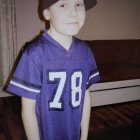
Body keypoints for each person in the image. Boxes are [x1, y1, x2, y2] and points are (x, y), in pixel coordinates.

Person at [7, 0, 100, 140]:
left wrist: (84, 136)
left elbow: (85, 96)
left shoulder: (85, 52)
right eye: (63, 5)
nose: (74, 12)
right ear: (47, 13)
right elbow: (28, 110)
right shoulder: (34, 54)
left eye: (79, 4)